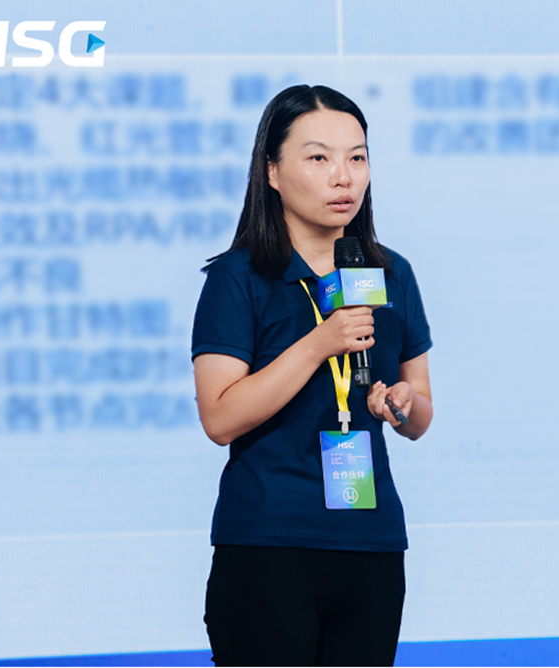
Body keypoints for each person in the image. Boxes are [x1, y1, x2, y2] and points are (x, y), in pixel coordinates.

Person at [191, 84, 433, 666]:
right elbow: (219, 419)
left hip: (371, 544)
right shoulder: (238, 278)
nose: (343, 177)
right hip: (270, 541)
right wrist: (320, 343)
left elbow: (420, 414)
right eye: (319, 158)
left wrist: (402, 404)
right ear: (272, 172)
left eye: (357, 157)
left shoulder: (391, 274)